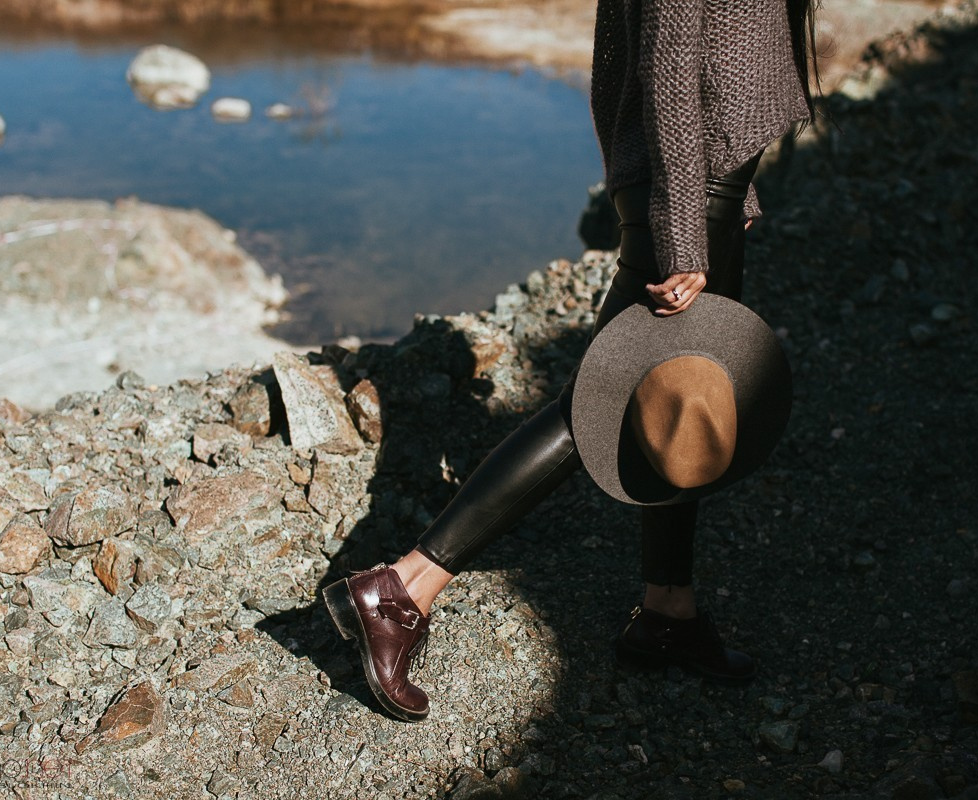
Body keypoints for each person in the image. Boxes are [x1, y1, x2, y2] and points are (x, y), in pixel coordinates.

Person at [324, 0, 819, 722]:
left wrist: (728, 192)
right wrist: (686, 229)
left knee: (682, 402)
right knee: (607, 403)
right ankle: (403, 587)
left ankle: (668, 611)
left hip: (703, 182)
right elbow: (671, 61)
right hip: (686, 188)